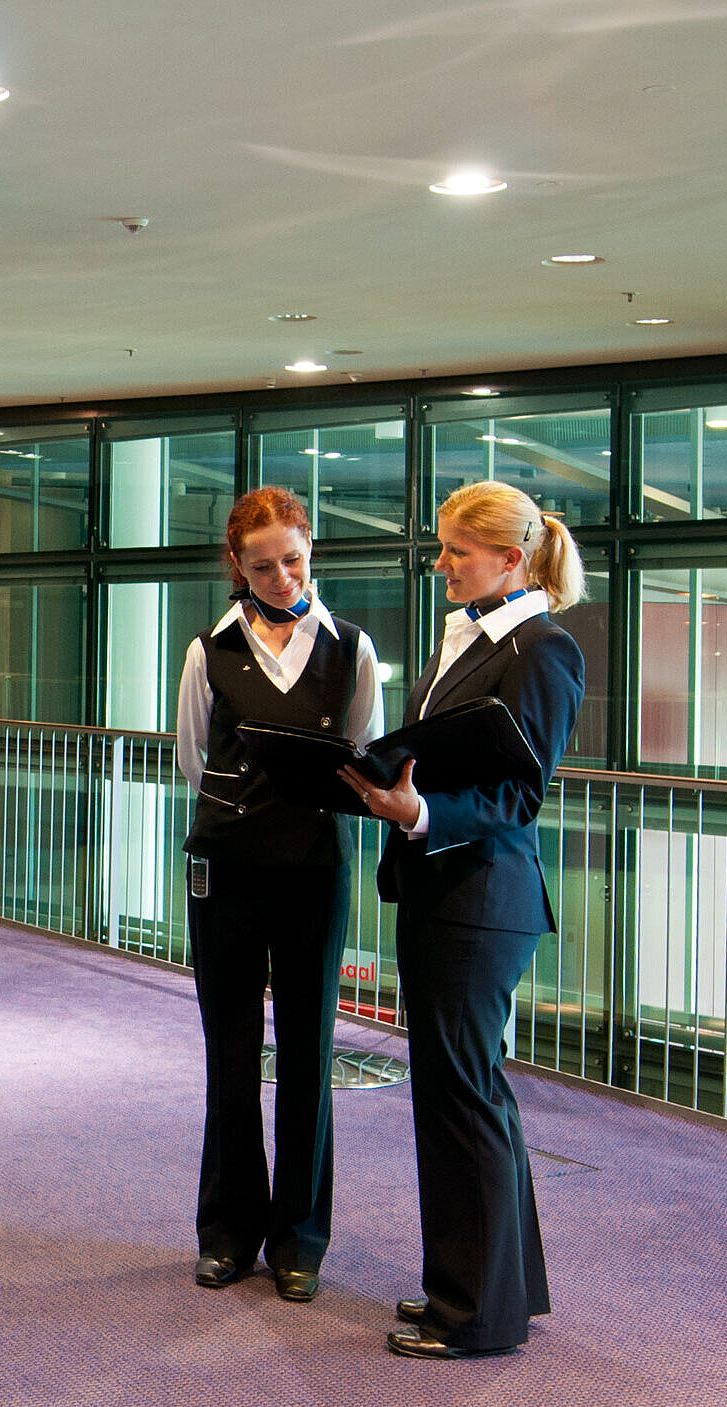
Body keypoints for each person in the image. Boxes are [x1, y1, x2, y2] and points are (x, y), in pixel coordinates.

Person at [339, 479, 587, 1358]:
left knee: (464, 1098)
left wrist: (413, 813)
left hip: (481, 900)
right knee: (461, 1093)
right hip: (445, 892)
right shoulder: (479, 637)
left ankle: (473, 1313)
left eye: (455, 550)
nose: (439, 563)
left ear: (511, 558)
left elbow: (518, 795)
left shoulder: (540, 649)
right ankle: (482, 1292)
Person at [176, 486, 385, 1301]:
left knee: (307, 1049)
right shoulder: (209, 650)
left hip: (312, 869)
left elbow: (360, 750)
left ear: (310, 551)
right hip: (224, 867)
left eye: (292, 559)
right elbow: (193, 758)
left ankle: (299, 1237)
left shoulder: (352, 649)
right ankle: (227, 1231)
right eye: (261, 565)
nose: (280, 577)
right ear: (236, 564)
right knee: (228, 1049)